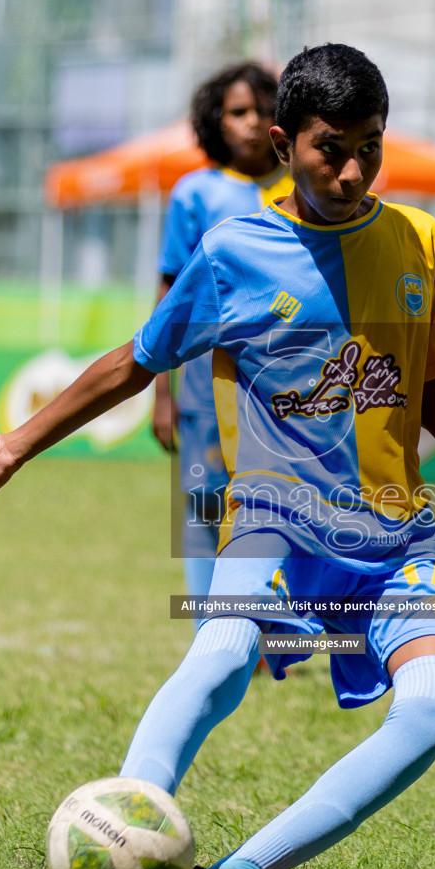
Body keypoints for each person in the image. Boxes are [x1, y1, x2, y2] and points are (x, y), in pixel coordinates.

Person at [0, 44, 435, 869]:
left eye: (371, 147)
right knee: (222, 657)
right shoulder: (234, 251)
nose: (351, 170)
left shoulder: (423, 242)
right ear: (282, 141)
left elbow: (430, 398)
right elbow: (132, 362)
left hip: (396, 541)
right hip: (272, 525)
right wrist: (16, 448)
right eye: (330, 148)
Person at [153, 62, 292, 607]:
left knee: (279, 501)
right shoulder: (194, 194)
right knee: (205, 502)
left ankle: (266, 623)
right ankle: (214, 626)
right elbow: (169, 296)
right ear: (216, 121)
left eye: (264, 111)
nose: (254, 123)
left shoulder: (302, 189)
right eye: (239, 112)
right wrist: (161, 391)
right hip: (203, 377)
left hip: (285, 375)